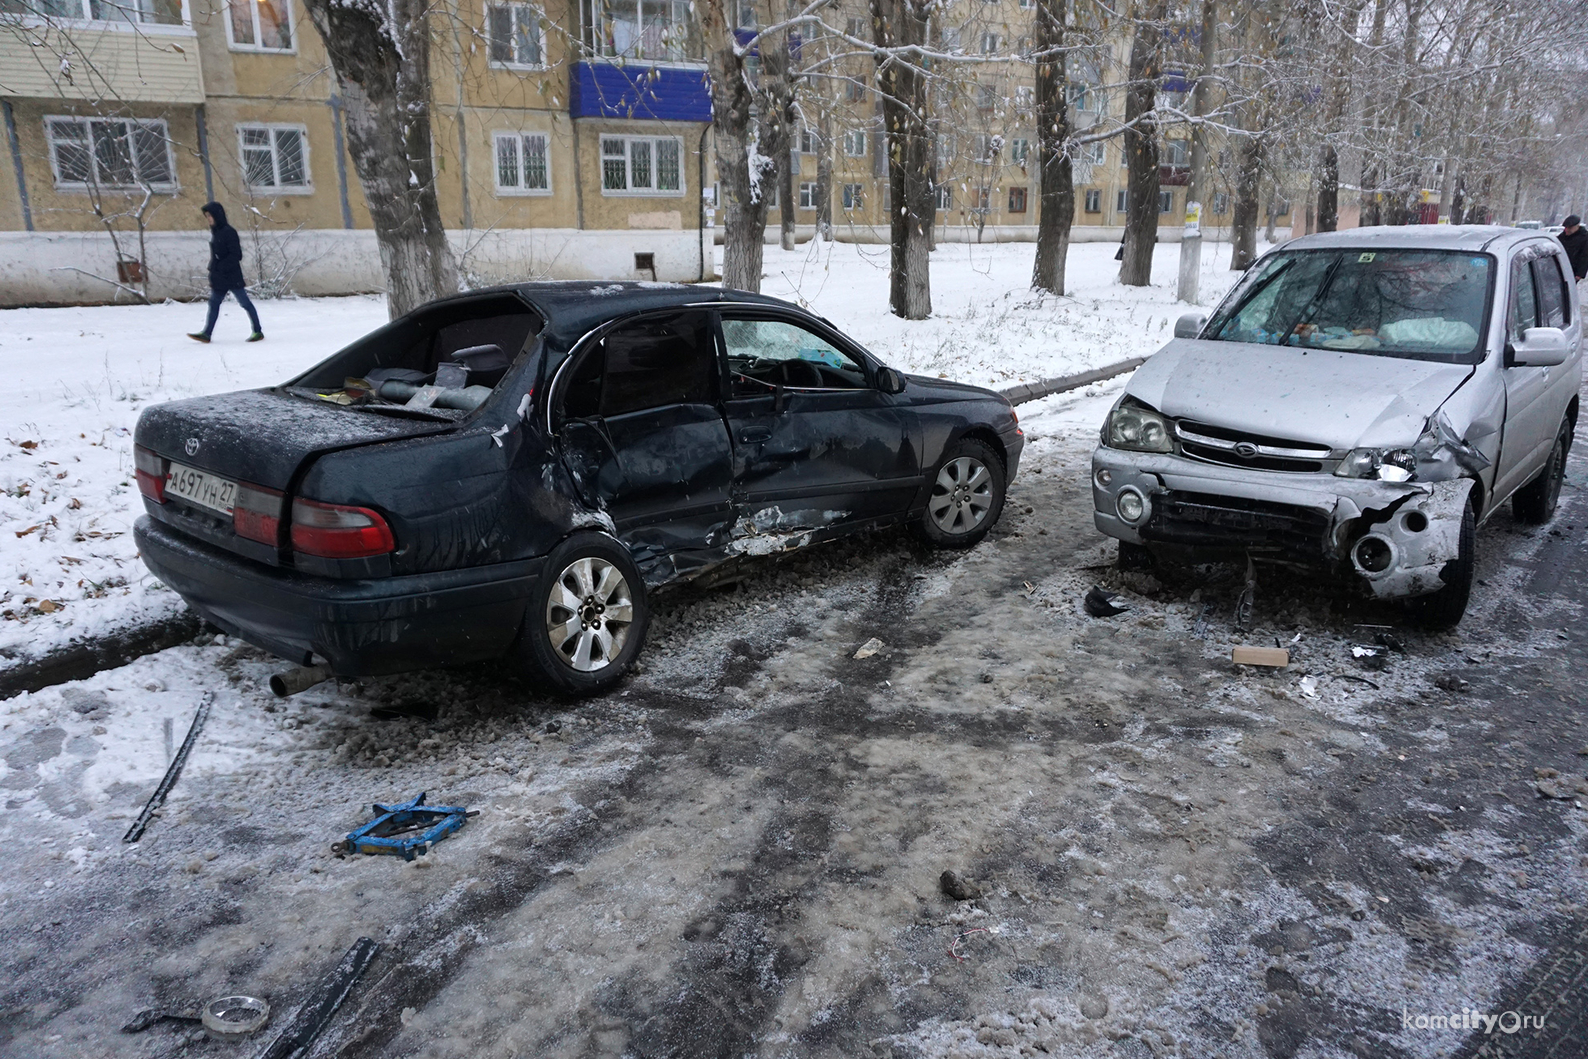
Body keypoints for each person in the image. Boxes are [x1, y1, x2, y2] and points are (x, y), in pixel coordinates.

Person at [188, 201, 263, 343]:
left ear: (217, 215)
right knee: (214, 303)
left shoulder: (228, 232)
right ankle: (207, 334)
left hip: (232, 276)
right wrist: (214, 269)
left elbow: (236, 255)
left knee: (245, 303)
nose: (208, 219)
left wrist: (221, 267)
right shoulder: (216, 233)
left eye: (210, 216)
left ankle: (258, 331)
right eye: (207, 216)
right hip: (220, 277)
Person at [1557, 214, 1588, 285]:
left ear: (1577, 226)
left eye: (1570, 228)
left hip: (1573, 271)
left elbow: (1585, 256)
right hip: (1560, 268)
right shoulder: (1562, 237)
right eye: (1565, 228)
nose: (1567, 230)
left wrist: (1579, 274)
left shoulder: (1585, 238)